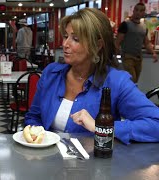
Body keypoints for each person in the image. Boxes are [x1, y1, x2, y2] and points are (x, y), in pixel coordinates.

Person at [24, 8, 159, 145]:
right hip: (48, 160)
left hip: (93, 163)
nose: (65, 44)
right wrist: (36, 136)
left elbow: (156, 124)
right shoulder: (51, 73)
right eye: (66, 36)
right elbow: (34, 117)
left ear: (98, 45)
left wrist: (101, 128)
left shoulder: (116, 82)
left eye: (75, 39)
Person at [115, 3, 158, 83]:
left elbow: (147, 42)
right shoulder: (125, 24)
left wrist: (153, 53)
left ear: (143, 13)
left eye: (141, 10)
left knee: (135, 82)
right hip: (127, 57)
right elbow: (118, 41)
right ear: (133, 11)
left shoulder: (144, 27)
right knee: (131, 80)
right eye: (137, 10)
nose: (138, 12)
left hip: (138, 58)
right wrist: (115, 57)